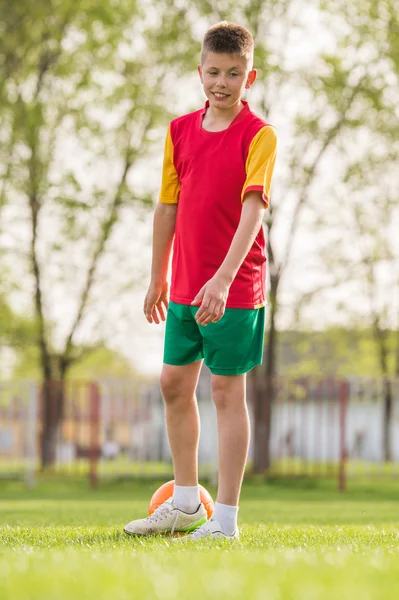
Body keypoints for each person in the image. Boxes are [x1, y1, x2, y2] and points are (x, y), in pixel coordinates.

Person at [124, 21, 277, 540]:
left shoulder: (259, 136)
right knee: (172, 383)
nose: (221, 82)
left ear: (248, 77)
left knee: (227, 393)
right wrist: (157, 276)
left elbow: (254, 210)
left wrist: (223, 278)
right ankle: (186, 504)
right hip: (186, 284)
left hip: (233, 286)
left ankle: (226, 521)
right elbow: (167, 207)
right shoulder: (178, 131)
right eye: (213, 71)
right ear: (200, 71)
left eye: (233, 74)